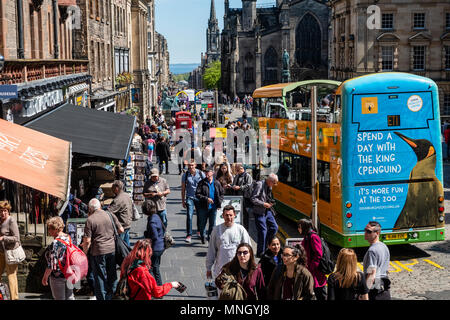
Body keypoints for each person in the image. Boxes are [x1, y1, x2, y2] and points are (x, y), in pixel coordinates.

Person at [81, 198, 124, 300]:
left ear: (90, 209)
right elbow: (121, 230)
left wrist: (84, 253)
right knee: (112, 274)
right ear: (100, 205)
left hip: (98, 251)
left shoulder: (90, 220)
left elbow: (87, 241)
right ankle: (112, 295)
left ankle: (102, 297)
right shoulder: (109, 214)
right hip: (111, 249)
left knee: (99, 277)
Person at [206, 205, 251, 280]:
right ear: (222, 216)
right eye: (226, 215)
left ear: (234, 215)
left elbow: (249, 249)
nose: (229, 217)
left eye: (231, 215)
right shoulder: (216, 230)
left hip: (238, 269)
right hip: (220, 270)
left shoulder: (241, 230)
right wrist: (208, 268)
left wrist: (249, 266)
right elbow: (211, 250)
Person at [42, 217, 75, 300]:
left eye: (50, 228)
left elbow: (52, 264)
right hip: (69, 273)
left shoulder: (55, 243)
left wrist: (45, 277)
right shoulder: (68, 238)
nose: (48, 231)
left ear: (55, 229)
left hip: (58, 276)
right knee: (70, 297)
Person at [297, 218, 327, 300]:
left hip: (316, 273)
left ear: (304, 227)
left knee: (320, 295)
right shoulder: (307, 236)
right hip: (310, 272)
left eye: (299, 227)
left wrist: (311, 267)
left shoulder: (313, 237)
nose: (298, 229)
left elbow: (318, 254)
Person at [250, 173, 279, 257]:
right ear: (270, 181)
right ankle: (261, 253)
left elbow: (267, 197)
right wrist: (263, 204)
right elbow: (253, 199)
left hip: (267, 211)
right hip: (259, 211)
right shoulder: (260, 185)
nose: (275, 185)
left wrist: (270, 202)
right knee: (263, 232)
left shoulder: (269, 186)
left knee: (274, 227)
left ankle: (267, 244)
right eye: (274, 183)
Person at [363, 221, 391, 300]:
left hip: (375, 288)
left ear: (377, 233)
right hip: (384, 287)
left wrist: (365, 292)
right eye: (365, 230)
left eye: (369, 231)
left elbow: (372, 274)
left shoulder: (372, 251)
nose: (365, 233)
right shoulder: (384, 246)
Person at [195, 167, 224, 244]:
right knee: (202, 224)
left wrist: (219, 203)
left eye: (208, 172)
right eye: (206, 172)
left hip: (213, 208)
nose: (207, 173)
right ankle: (203, 236)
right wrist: (206, 198)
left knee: (212, 224)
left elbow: (221, 193)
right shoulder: (201, 182)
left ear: (212, 173)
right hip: (203, 207)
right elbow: (197, 194)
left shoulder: (216, 183)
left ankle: (210, 238)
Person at [181, 160, 205, 243]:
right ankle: (189, 234)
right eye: (189, 165)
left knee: (199, 215)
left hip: (199, 197)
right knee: (189, 215)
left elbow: (205, 186)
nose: (191, 167)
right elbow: (183, 188)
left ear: (195, 165)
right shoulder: (185, 175)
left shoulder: (201, 174)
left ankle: (199, 230)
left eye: (192, 165)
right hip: (189, 197)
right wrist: (183, 200)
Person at [0, 200, 20, 300]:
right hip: (1, 252)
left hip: (10, 252)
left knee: (11, 276)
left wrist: (4, 238)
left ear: (8, 211)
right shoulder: (0, 220)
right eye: (1, 211)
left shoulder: (11, 220)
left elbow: (16, 238)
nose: (3, 213)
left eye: (5, 211)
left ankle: (14, 298)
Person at [142, 199, 165, 286]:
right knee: (156, 267)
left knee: (152, 268)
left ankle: (157, 287)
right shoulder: (156, 216)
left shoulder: (151, 221)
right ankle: (157, 287)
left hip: (155, 248)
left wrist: (146, 234)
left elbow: (154, 236)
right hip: (160, 246)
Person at [108, 180, 133, 247]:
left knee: (120, 246)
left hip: (121, 226)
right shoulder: (126, 196)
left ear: (117, 188)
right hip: (127, 224)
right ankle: (128, 256)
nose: (111, 189)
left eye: (112, 187)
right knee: (126, 245)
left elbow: (109, 212)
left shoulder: (118, 200)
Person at [230, 163, 253, 229]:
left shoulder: (247, 176)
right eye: (236, 169)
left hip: (245, 198)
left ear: (242, 168)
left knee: (245, 214)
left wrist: (240, 187)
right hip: (237, 197)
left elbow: (249, 185)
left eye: (238, 169)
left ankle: (245, 228)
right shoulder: (237, 175)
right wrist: (232, 186)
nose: (237, 170)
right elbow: (234, 183)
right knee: (237, 212)